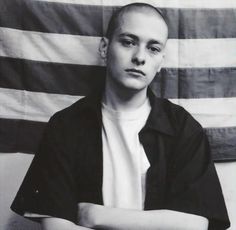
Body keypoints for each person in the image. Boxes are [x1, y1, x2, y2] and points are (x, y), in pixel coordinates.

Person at [11, 3, 230, 230]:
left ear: (160, 62)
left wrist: (97, 215)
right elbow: (56, 227)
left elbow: (194, 225)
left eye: (153, 48)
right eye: (128, 42)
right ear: (105, 48)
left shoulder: (182, 127)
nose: (139, 57)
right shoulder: (66, 125)